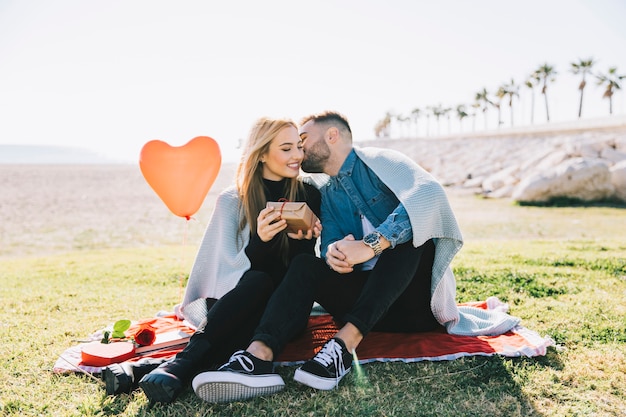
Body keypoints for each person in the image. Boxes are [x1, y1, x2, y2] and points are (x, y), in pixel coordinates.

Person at [190, 110, 521, 403]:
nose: (300, 150)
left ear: (332, 135)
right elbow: (334, 247)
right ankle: (256, 359)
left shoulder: (383, 161)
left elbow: (429, 195)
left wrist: (373, 243)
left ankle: (340, 350)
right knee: (309, 265)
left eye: (304, 139)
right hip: (364, 307)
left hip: (412, 307)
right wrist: (336, 253)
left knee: (415, 238)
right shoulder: (329, 195)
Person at [102, 117, 322, 404]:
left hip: (284, 313)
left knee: (297, 269)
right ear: (262, 154)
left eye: (299, 147)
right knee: (257, 280)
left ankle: (162, 366)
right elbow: (226, 271)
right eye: (286, 148)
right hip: (237, 304)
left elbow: (299, 272)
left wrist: (306, 238)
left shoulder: (310, 194)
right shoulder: (234, 200)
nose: (297, 156)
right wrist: (260, 242)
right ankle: (174, 367)